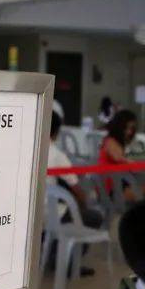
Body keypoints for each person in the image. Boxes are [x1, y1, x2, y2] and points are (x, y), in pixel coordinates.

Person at [48, 111, 103, 277]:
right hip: (50, 213)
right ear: (57, 132)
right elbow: (77, 190)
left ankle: (52, 253)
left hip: (27, 212)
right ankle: (70, 263)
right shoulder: (57, 155)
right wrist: (81, 207)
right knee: (93, 217)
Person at [100, 109, 140, 200]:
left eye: (131, 129)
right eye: (126, 128)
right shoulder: (111, 142)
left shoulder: (111, 140)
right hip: (111, 187)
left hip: (114, 182)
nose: (129, 132)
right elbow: (118, 158)